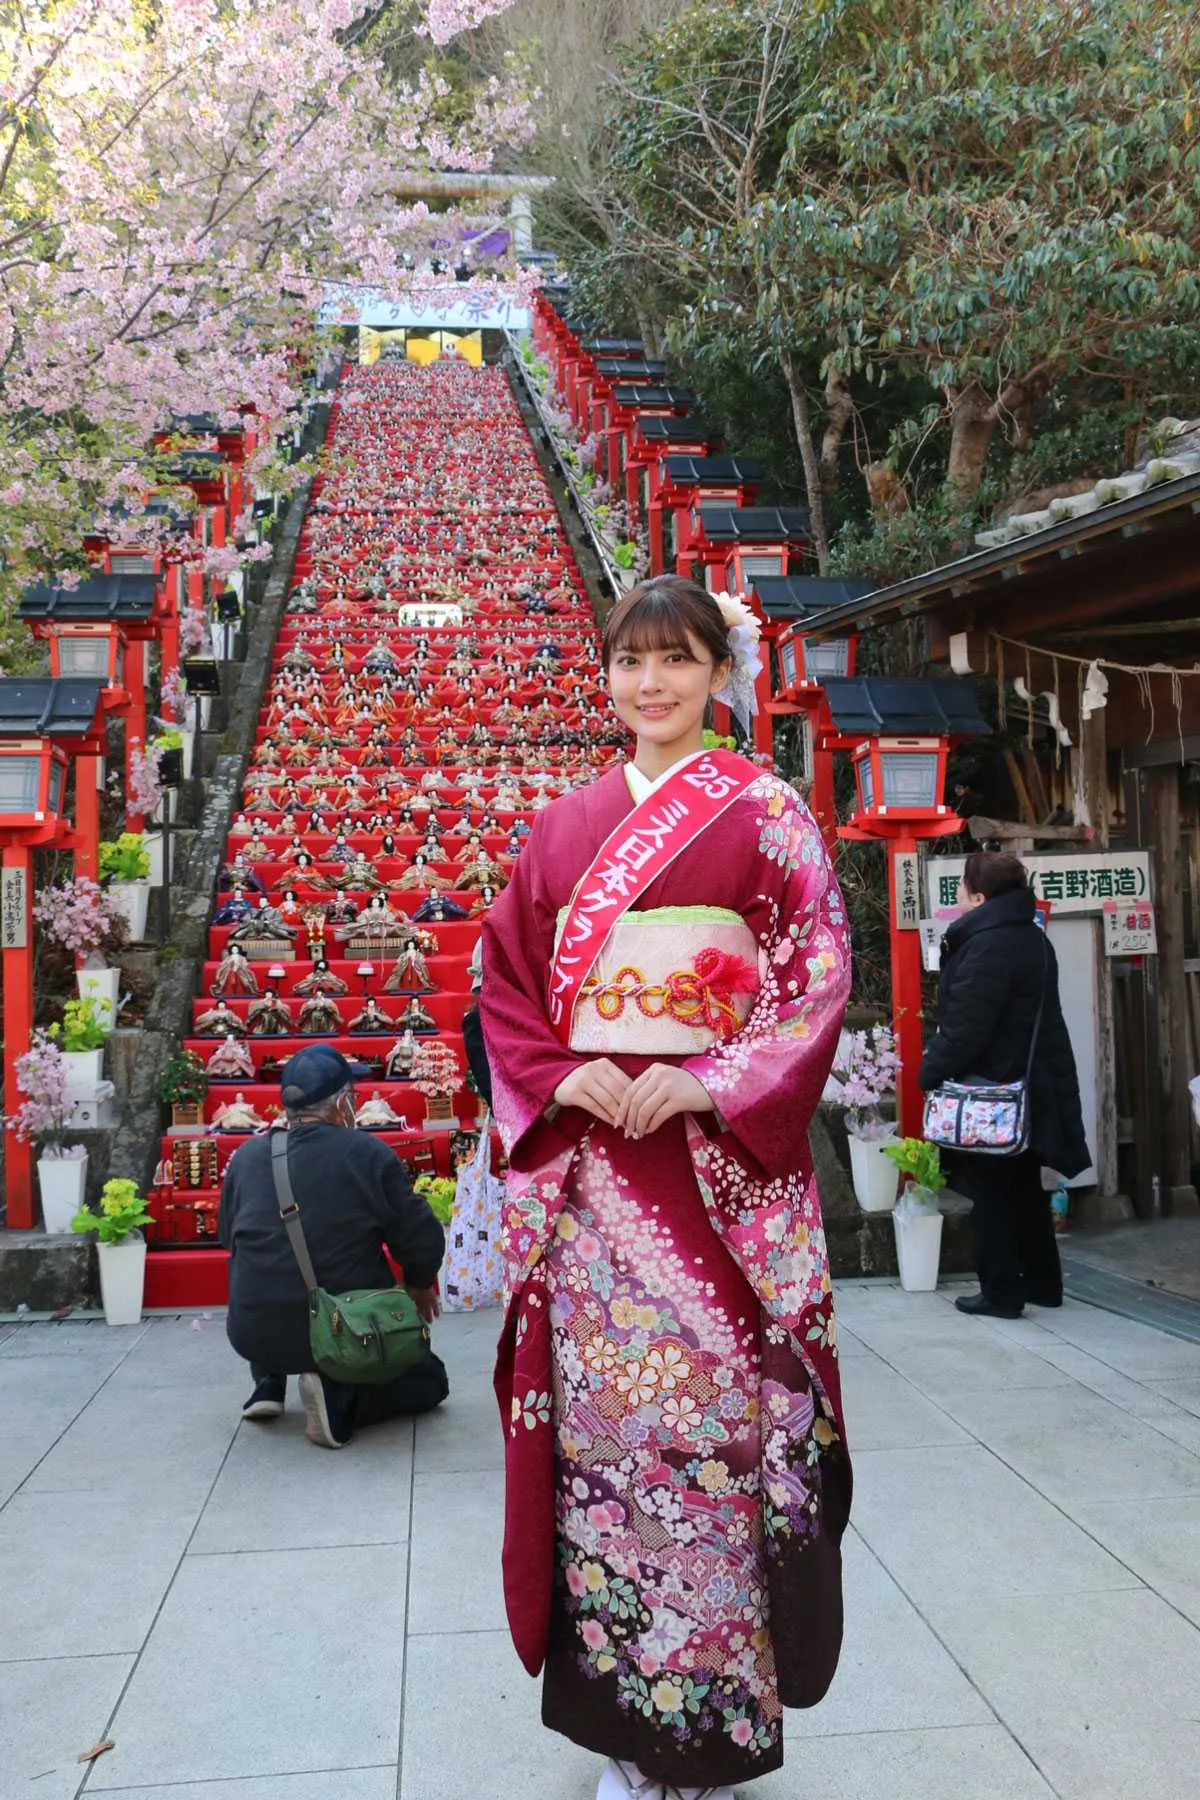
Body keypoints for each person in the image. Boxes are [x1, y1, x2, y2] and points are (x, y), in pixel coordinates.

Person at [479, 576, 852, 1800]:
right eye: (632, 661)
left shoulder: (770, 813)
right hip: (597, 1186)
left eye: (678, 661)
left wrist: (710, 1085)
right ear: (606, 675)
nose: (654, 684)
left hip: (711, 1181)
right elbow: (507, 992)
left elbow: (811, 980)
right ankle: (633, 1735)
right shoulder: (562, 827)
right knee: (612, 1455)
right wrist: (576, 1077)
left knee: (718, 1449)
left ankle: (716, 1721)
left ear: (717, 673)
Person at [218, 1044, 449, 1448]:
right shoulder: (366, 1154)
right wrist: (418, 1283)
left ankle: (269, 1382)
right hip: (343, 1329)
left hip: (254, 1331)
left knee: (277, 1266)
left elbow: (228, 1237)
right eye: (354, 1098)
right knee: (430, 1382)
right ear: (343, 1103)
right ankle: (339, 1396)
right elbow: (420, 1235)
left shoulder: (247, 1157)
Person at [920, 850, 1089, 1319]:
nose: (957, 898)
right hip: (1032, 1087)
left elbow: (968, 1027)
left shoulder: (988, 945)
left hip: (991, 1091)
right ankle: (1041, 1283)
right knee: (1023, 1188)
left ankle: (1000, 1292)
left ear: (979, 896)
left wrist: (930, 1070)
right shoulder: (1032, 939)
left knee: (991, 1191)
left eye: (962, 890)